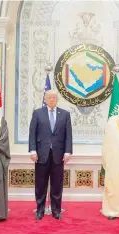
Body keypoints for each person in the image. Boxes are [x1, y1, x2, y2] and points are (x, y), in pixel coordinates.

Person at [29, 90, 73, 220]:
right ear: (45, 99)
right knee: (40, 185)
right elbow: (32, 134)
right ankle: (40, 210)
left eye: (54, 97)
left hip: (58, 155)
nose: (52, 99)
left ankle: (56, 210)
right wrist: (32, 151)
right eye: (49, 97)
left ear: (57, 99)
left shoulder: (65, 114)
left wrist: (67, 152)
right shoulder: (38, 113)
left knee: (57, 185)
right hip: (41, 155)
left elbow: (68, 136)